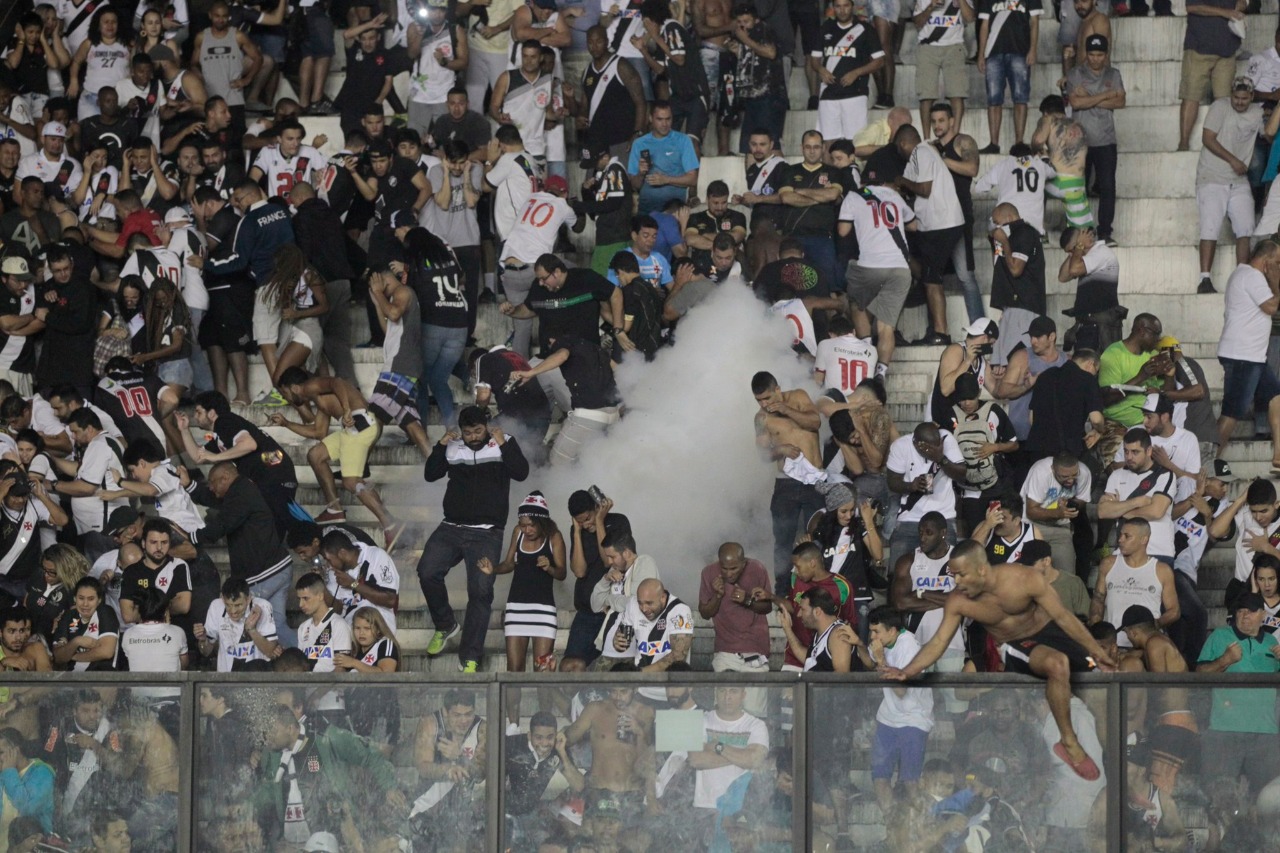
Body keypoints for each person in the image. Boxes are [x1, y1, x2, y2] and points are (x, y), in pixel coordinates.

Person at [883, 540, 1117, 781]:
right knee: (1057, 664)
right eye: (954, 576)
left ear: (981, 569)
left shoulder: (1024, 578)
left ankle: (1117, 768)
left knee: (1103, 684)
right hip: (1015, 643)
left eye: (962, 575)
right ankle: (1068, 742)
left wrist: (1095, 651)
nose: (957, 582)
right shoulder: (958, 600)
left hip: (1051, 632)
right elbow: (938, 641)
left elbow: (1063, 616)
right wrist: (908, 671)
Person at [418, 406, 530, 673]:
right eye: (467, 432)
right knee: (426, 571)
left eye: (478, 431)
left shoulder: (504, 443)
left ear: (487, 426)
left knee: (480, 591)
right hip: (450, 528)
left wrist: (503, 443)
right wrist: (440, 445)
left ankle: (470, 657)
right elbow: (430, 474)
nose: (472, 437)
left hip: (487, 532)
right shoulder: (453, 445)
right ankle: (445, 625)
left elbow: (521, 472)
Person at [272, 367, 401, 548]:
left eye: (284, 392)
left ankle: (390, 525)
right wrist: (286, 423)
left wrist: (347, 409)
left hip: (360, 425)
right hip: (351, 429)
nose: (286, 398)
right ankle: (334, 508)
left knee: (351, 482)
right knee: (315, 455)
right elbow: (318, 432)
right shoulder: (318, 396)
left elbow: (337, 381)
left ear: (294, 387)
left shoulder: (310, 385)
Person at [187, 462, 295, 648]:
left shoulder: (241, 493)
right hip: (278, 568)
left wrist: (191, 536)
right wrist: (189, 485)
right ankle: (309, 661)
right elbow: (214, 499)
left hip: (264, 573)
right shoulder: (240, 490)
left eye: (213, 482)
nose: (211, 487)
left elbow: (220, 526)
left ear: (226, 478)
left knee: (239, 615)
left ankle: (239, 666)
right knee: (277, 625)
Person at [1196, 593, 1280, 795]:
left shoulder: (1272, 643)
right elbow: (1198, 676)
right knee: (1219, 795)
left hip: (1265, 733)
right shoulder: (1219, 636)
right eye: (1240, 611)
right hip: (1224, 730)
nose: (1244, 616)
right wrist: (1225, 660)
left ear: (1262, 614)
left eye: (1251, 611)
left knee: (1266, 799)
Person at [478, 491, 566, 676]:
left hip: (543, 612)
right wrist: (493, 569)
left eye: (531, 525)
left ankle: (543, 706)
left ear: (542, 522)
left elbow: (562, 573)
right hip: (516, 609)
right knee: (514, 672)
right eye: (523, 525)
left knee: (543, 671)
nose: (527, 530)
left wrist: (549, 567)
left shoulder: (554, 537)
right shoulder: (518, 533)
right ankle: (511, 707)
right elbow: (509, 563)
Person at [751, 371, 823, 594]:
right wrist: (780, 449)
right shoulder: (761, 418)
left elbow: (815, 422)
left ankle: (819, 586)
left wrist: (785, 410)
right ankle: (782, 589)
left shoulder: (799, 397)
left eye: (768, 398)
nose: (764, 404)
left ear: (778, 390)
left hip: (814, 480)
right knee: (783, 539)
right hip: (786, 483)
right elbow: (762, 455)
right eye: (759, 400)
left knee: (817, 535)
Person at [837, 165, 915, 372]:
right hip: (899, 268)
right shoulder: (895, 196)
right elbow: (914, 225)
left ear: (863, 182)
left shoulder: (853, 196)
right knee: (886, 325)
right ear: (885, 183)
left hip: (869, 266)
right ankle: (881, 372)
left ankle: (866, 348)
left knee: (856, 304)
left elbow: (843, 231)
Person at [1196, 77, 1268, 293]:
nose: (1239, 102)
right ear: (1231, 94)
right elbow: (1208, 138)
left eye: (1244, 99)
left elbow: (1270, 134)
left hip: (1238, 181)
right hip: (1212, 177)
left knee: (1245, 228)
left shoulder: (1257, 113)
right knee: (1210, 227)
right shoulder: (1220, 107)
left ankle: (1242, 278)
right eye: (1236, 97)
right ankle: (1205, 279)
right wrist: (1233, 160)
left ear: (1252, 97)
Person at [896, 124, 965, 344]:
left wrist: (902, 181)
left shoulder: (921, 151)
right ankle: (937, 331)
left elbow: (924, 189)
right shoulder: (925, 154)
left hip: (941, 224)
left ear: (903, 143)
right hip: (935, 224)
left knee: (931, 279)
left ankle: (940, 334)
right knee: (927, 274)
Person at [1215, 239, 1280, 464]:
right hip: (1243, 356)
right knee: (1232, 412)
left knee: (1276, 398)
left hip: (1252, 356)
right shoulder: (1253, 276)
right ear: (1266, 261)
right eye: (1277, 263)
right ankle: (1204, 462)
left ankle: (1279, 455)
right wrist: (1275, 281)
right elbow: (1271, 306)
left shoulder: (1242, 273)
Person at [511, 334, 620, 466]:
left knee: (559, 463)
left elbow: (562, 355)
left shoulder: (564, 342)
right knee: (594, 462)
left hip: (588, 416)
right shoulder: (596, 348)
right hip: (614, 414)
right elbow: (619, 369)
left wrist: (530, 373)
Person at [1065, 34, 1124, 246]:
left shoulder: (1113, 73)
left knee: (1107, 187)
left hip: (1106, 140)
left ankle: (1105, 232)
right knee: (1078, 188)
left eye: (1100, 55)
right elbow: (1075, 103)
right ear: (1086, 54)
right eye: (1092, 54)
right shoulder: (1075, 73)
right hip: (1080, 141)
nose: (1095, 59)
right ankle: (1081, 232)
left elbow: (1121, 101)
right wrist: (1104, 95)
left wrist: (1088, 96)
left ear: (1106, 55)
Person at [890, 511, 965, 674]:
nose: (923, 538)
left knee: (954, 698)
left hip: (952, 643)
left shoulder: (957, 559)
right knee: (920, 698)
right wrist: (948, 600)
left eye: (929, 533)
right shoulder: (908, 561)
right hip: (917, 645)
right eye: (921, 533)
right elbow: (900, 603)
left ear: (943, 533)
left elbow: (965, 601)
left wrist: (921, 592)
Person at [886, 423, 966, 570]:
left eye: (937, 446)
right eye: (928, 448)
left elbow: (962, 474)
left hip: (943, 516)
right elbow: (892, 483)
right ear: (917, 444)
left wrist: (941, 458)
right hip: (910, 518)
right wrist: (911, 486)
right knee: (897, 569)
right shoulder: (901, 446)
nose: (933, 450)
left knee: (950, 570)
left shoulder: (946, 439)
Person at [949, 374, 1019, 533]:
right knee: (976, 533)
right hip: (968, 488)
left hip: (995, 485)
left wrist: (995, 447)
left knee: (999, 531)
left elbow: (1014, 444)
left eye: (970, 398)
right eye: (962, 399)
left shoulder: (993, 411)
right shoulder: (951, 414)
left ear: (979, 393)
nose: (966, 403)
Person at [1090, 518, 1181, 639]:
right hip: (1113, 644)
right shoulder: (1108, 564)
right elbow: (1098, 599)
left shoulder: (1162, 570)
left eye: (1127, 536)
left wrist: (1150, 626)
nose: (1120, 540)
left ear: (1144, 539)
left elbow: (1174, 611)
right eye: (1121, 535)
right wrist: (1099, 632)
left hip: (1146, 646)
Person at [1177, 0, 1246, 153]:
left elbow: (1243, 3)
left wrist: (1240, 6)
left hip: (1227, 48)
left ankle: (1222, 144)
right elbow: (1192, 7)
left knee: (1224, 101)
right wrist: (1225, 12)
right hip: (1199, 47)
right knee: (1191, 96)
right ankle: (1183, 143)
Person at [1099, 429, 1178, 563]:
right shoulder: (1116, 475)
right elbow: (1103, 512)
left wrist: (1120, 510)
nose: (1129, 457)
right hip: (1125, 551)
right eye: (1126, 451)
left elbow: (1156, 512)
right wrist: (1136, 502)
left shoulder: (1164, 475)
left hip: (1157, 551)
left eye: (1135, 452)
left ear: (1148, 451)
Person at [811, 0, 884, 143]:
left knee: (855, 142)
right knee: (828, 142)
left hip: (855, 94)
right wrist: (820, 70)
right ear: (833, 8)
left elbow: (880, 61)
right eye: (838, 6)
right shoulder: (826, 28)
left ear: (852, 7)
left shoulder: (865, 29)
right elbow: (814, 59)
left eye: (846, 6)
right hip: (828, 93)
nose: (842, 10)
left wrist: (856, 72)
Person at [976, 0, 1041, 152]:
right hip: (993, 52)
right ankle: (994, 144)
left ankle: (1019, 142)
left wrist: (1033, 49)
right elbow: (984, 25)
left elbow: (1035, 22)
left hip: (1020, 51)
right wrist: (981, 54)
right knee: (993, 99)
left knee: (1020, 98)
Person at [698, 542, 772, 672]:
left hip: (755, 650)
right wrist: (718, 596)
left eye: (734, 569)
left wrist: (747, 600)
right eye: (724, 568)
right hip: (725, 652)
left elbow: (768, 607)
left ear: (744, 564)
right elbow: (704, 614)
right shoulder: (708, 573)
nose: (729, 574)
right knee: (725, 691)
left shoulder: (757, 569)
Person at [590, 532, 660, 666]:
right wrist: (605, 579)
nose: (609, 562)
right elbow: (595, 605)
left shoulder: (644, 562)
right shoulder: (614, 571)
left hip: (630, 654)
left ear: (627, 553)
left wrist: (609, 600)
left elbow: (635, 603)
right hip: (608, 650)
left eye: (612, 557)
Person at [1022, 452, 1092, 578]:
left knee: (1067, 575)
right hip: (1033, 525)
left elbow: (1082, 500)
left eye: (1074, 475)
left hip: (1060, 528)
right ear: (1053, 469)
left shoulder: (1084, 473)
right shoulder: (1041, 472)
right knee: (1031, 574)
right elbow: (1031, 511)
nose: (1070, 480)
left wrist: (1071, 505)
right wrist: (1058, 513)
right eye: (1064, 476)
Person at [320, 530, 401, 632]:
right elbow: (337, 610)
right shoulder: (334, 572)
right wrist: (320, 585)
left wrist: (353, 584)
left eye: (328, 559)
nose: (328, 564)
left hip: (378, 631)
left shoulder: (376, 556)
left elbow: (390, 600)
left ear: (342, 553)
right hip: (350, 633)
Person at [628, 101, 699, 215]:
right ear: (651, 118)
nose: (665, 124)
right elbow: (635, 185)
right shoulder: (639, 144)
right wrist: (641, 174)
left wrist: (666, 179)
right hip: (647, 209)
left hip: (674, 209)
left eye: (668, 119)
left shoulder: (683, 140)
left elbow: (693, 179)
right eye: (660, 119)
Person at [195, 576, 281, 671]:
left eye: (238, 605)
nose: (233, 611)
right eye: (228, 605)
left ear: (248, 599)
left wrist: (252, 630)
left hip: (256, 678)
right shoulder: (216, 606)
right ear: (223, 599)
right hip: (226, 679)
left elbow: (270, 652)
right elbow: (206, 652)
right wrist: (202, 640)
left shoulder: (263, 606)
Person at [914, 0, 974, 128]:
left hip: (954, 46)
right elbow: (917, 22)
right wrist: (931, 6)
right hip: (928, 46)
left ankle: (955, 137)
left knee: (957, 94)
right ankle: (926, 140)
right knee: (926, 96)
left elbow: (970, 18)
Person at [613, 577, 693, 671]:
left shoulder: (680, 610)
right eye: (640, 603)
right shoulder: (633, 604)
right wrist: (617, 642)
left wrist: (640, 674)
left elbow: (678, 657)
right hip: (641, 676)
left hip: (670, 681)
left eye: (649, 603)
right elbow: (622, 643)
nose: (644, 609)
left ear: (662, 597)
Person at [50, 576, 119, 671]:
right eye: (81, 598)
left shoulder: (105, 612)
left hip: (100, 678)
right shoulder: (69, 615)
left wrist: (72, 655)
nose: (85, 604)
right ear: (75, 598)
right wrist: (76, 642)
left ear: (99, 600)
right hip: (71, 679)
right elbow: (58, 658)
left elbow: (106, 652)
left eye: (91, 599)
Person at [778, 586, 854, 671]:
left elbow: (842, 677)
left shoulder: (838, 635)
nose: (799, 614)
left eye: (803, 609)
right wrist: (787, 629)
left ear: (817, 612)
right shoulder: (822, 631)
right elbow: (810, 660)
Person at [1020, 539, 1089, 620]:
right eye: (1024, 564)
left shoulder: (1073, 583)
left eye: (1031, 564)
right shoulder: (1022, 586)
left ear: (1046, 561)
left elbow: (1083, 620)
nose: (1026, 569)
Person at [0, 606, 52, 672]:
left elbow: (47, 680)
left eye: (21, 631)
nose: (18, 637)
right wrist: (3, 663)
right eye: (11, 631)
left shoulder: (36, 649)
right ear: (0, 633)